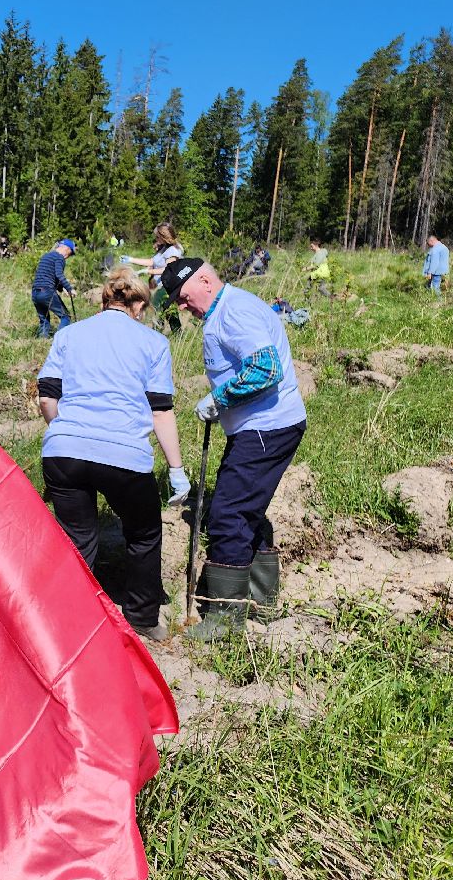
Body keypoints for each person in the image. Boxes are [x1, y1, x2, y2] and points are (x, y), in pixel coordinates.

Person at [37, 269, 190, 641]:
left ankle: (67, 623)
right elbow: (160, 410)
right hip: (125, 455)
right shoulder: (153, 343)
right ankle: (142, 617)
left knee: (76, 538)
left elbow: (46, 396)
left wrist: (67, 431)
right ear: (138, 305)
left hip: (63, 453)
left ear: (104, 301)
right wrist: (176, 468)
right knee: (143, 533)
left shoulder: (69, 334)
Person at [162, 258, 308, 637]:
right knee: (247, 510)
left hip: (266, 428)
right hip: (264, 426)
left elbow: (265, 368)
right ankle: (261, 603)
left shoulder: (233, 313)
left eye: (183, 295)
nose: (181, 305)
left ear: (205, 280)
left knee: (228, 515)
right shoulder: (230, 308)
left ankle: (224, 620)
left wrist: (220, 399)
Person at [124, 222, 184, 334]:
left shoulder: (173, 251)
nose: (156, 238)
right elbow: (152, 261)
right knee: (168, 311)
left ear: (164, 236)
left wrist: (148, 271)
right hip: (159, 286)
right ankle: (177, 334)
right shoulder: (164, 249)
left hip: (166, 286)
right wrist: (131, 259)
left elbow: (167, 269)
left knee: (157, 309)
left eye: (158, 236)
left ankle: (157, 333)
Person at [31, 239, 77, 338]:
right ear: (66, 248)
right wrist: (69, 288)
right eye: (70, 253)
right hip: (47, 291)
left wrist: (61, 288)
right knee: (65, 316)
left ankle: (41, 343)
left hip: (35, 293)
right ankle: (59, 341)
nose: (68, 257)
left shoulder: (46, 256)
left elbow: (49, 275)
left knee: (44, 319)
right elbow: (59, 275)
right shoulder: (59, 258)